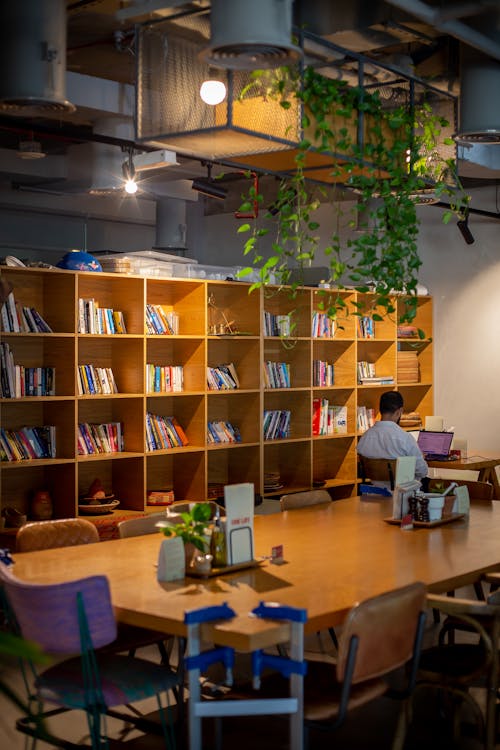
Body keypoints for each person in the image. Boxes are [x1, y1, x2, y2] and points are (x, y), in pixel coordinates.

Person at [357, 391, 428, 480]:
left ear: (380, 410)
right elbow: (423, 471)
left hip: (372, 490)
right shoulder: (404, 438)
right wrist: (419, 458)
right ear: (400, 411)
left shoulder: (365, 437)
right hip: (402, 491)